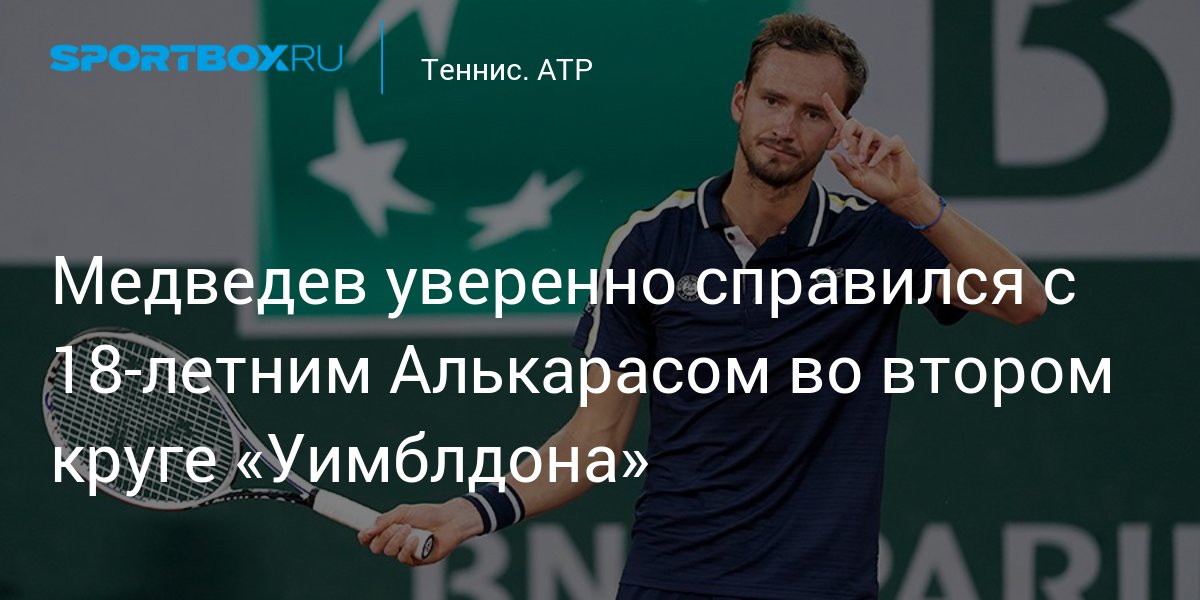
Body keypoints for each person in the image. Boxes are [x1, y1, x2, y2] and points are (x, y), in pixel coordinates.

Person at [359, 13, 1047, 599]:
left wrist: (916, 201)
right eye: (773, 100)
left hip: (820, 586)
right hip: (675, 580)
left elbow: (1023, 303)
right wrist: (469, 513)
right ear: (740, 101)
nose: (786, 126)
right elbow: (596, 438)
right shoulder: (650, 244)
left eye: (814, 113)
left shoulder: (874, 239)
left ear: (839, 131)